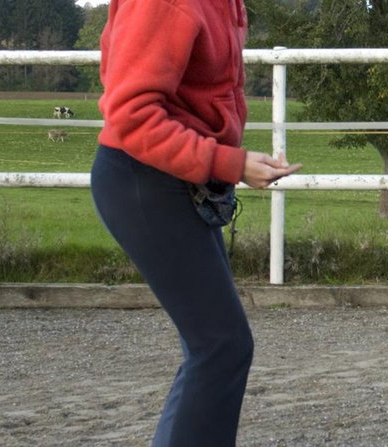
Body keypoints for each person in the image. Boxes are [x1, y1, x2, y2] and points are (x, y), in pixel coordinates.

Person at [90, 0, 301, 445]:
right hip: (144, 179)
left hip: (178, 177)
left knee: (212, 346)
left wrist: (226, 161)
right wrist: (231, 162)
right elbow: (131, 115)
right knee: (221, 347)